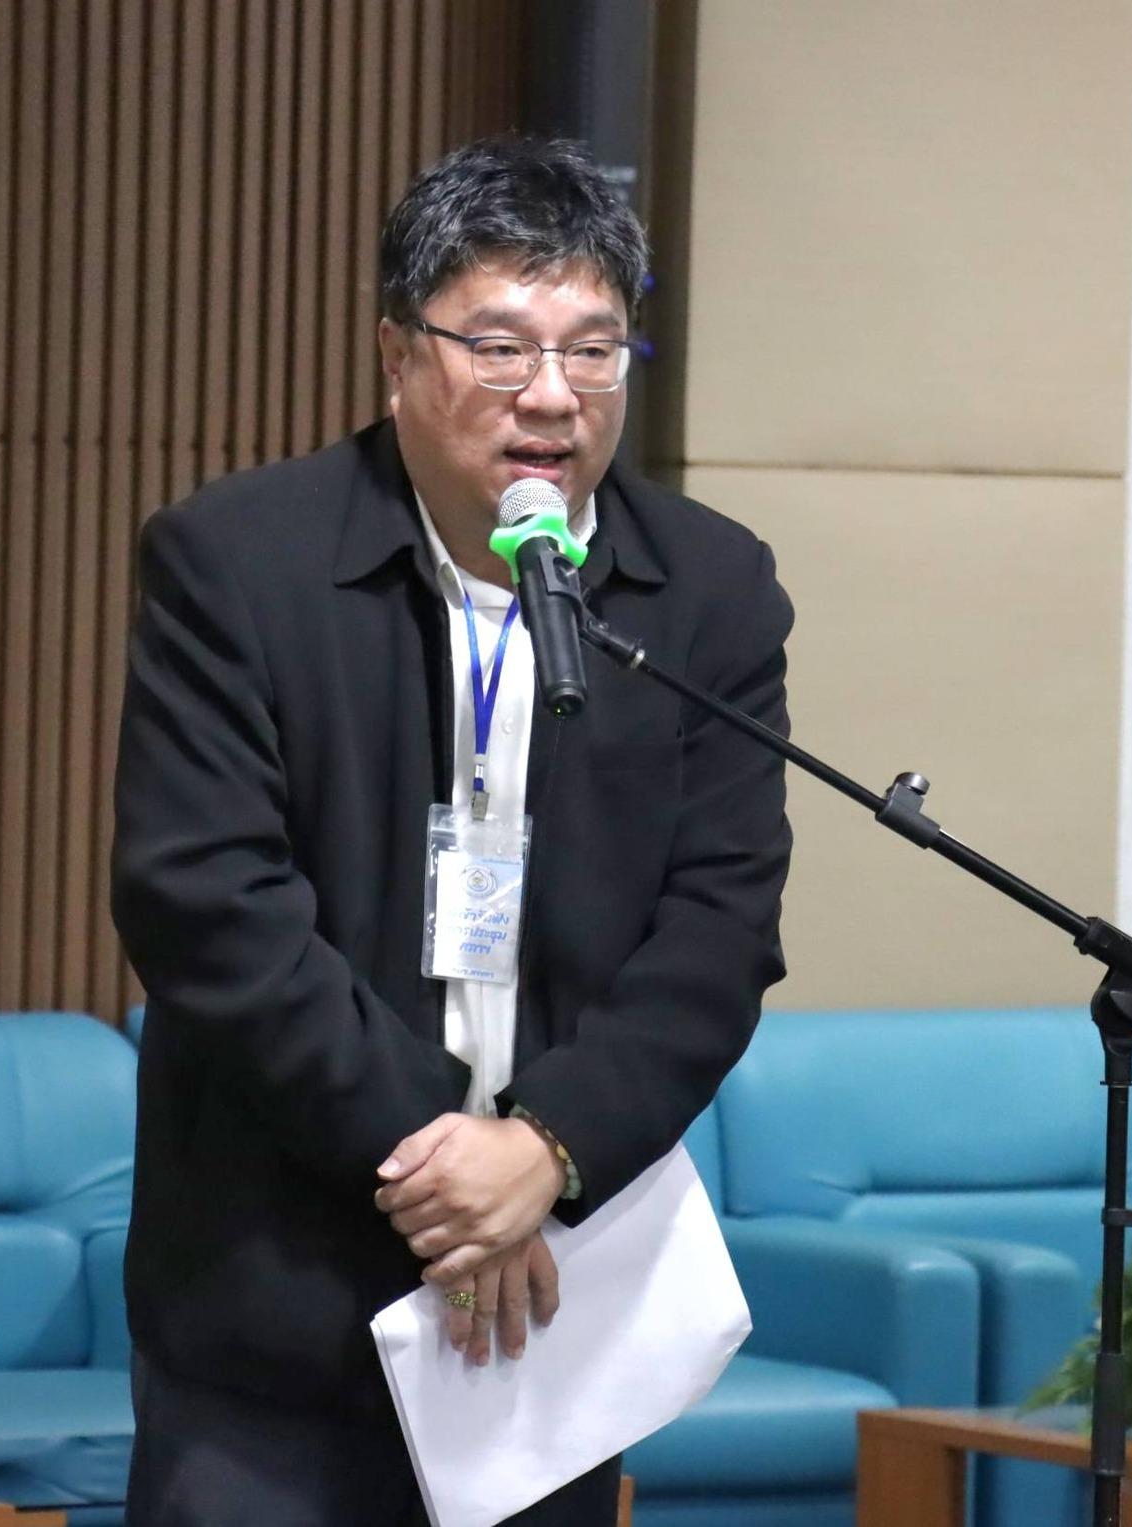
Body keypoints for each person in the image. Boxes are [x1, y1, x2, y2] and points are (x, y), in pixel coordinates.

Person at [111, 136, 793, 1527]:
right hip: (279, 1301)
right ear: (395, 354)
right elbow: (208, 906)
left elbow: (720, 927)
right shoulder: (239, 561)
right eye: (499, 346)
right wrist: (447, 1167)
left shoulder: (709, 589)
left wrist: (545, 1153)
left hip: (552, 1303)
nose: (550, 395)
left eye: (593, 351)